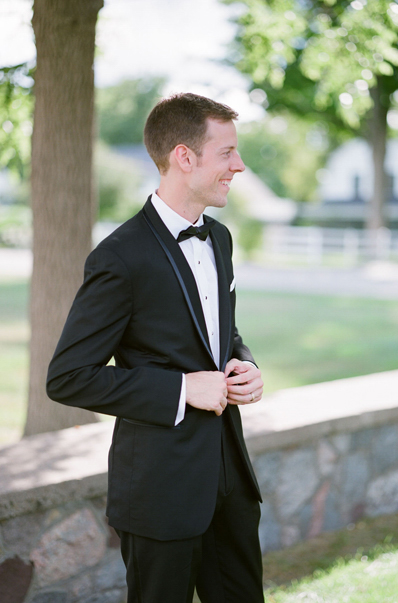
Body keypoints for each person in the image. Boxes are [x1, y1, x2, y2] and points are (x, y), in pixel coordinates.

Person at [46, 93, 265, 603]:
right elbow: (69, 376)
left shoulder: (222, 239)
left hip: (230, 480)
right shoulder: (120, 258)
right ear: (184, 158)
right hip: (160, 491)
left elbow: (220, 332)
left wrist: (245, 363)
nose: (239, 165)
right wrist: (183, 388)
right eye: (226, 152)